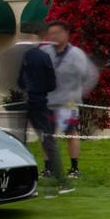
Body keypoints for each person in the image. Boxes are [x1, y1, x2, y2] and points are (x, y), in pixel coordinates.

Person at [41, 21, 97, 180]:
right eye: (51, 33)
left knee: (71, 133)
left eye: (57, 33)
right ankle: (48, 169)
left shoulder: (76, 54)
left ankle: (74, 168)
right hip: (48, 101)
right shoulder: (45, 52)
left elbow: (91, 76)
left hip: (68, 102)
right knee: (47, 135)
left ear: (66, 34)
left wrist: (77, 94)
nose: (53, 36)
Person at [17, 35, 70, 194]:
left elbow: (20, 80)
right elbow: (52, 83)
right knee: (48, 141)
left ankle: (22, 181)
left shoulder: (23, 56)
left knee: (21, 142)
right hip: (40, 102)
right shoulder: (43, 57)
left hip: (23, 102)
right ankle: (61, 181)